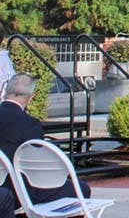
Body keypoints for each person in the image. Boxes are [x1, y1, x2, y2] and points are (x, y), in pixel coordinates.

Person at [0, 74, 91, 206]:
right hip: (18, 190)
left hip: (4, 188)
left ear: (5, 91)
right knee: (81, 188)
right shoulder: (30, 124)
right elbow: (36, 164)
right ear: (31, 98)